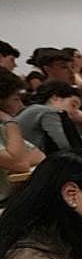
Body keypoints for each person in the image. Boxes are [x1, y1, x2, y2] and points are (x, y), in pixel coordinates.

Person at [32, 48, 82, 132]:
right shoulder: (50, 94)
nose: (72, 72)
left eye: (72, 67)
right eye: (64, 67)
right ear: (48, 70)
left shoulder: (69, 90)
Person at [0, 71, 45, 205]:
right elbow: (21, 164)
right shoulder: (9, 125)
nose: (21, 105)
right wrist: (10, 121)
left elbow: (39, 156)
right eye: (15, 99)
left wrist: (15, 160)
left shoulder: (3, 129)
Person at [16, 81, 82, 154]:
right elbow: (65, 145)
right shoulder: (48, 112)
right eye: (73, 105)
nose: (76, 112)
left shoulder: (33, 109)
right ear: (54, 98)